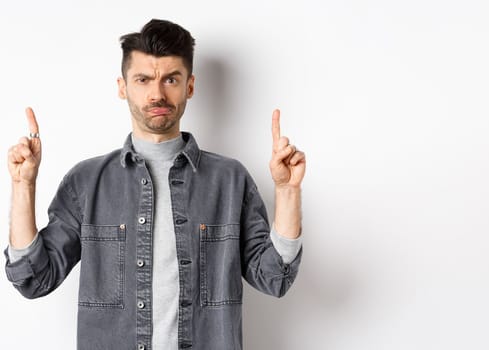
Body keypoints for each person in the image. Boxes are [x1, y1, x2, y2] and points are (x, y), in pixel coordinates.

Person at [4, 19, 305, 350]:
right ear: (123, 87)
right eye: (143, 79)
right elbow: (33, 280)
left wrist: (288, 191)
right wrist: (23, 186)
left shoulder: (230, 180)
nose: (157, 94)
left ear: (189, 86)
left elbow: (274, 278)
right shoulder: (87, 182)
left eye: (171, 79)